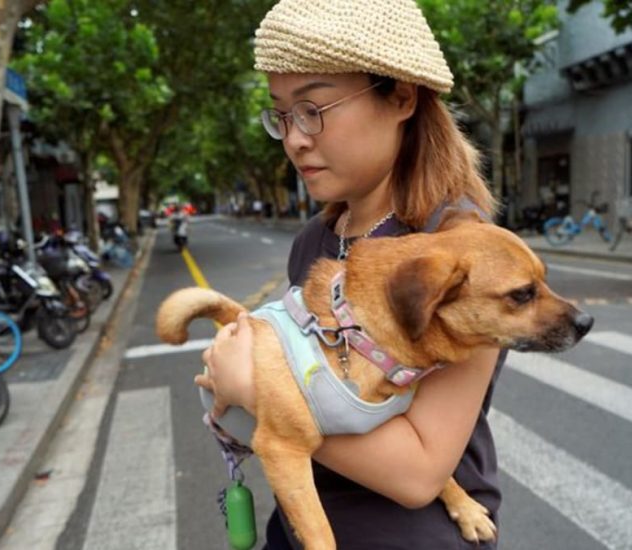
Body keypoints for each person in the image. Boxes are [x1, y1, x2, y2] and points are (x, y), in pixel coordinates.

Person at [198, 0, 505, 548]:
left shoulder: (461, 253)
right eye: (282, 114)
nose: (294, 138)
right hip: (303, 526)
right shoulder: (315, 242)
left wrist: (254, 390)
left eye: (313, 108)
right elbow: (316, 384)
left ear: (403, 97)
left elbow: (418, 474)